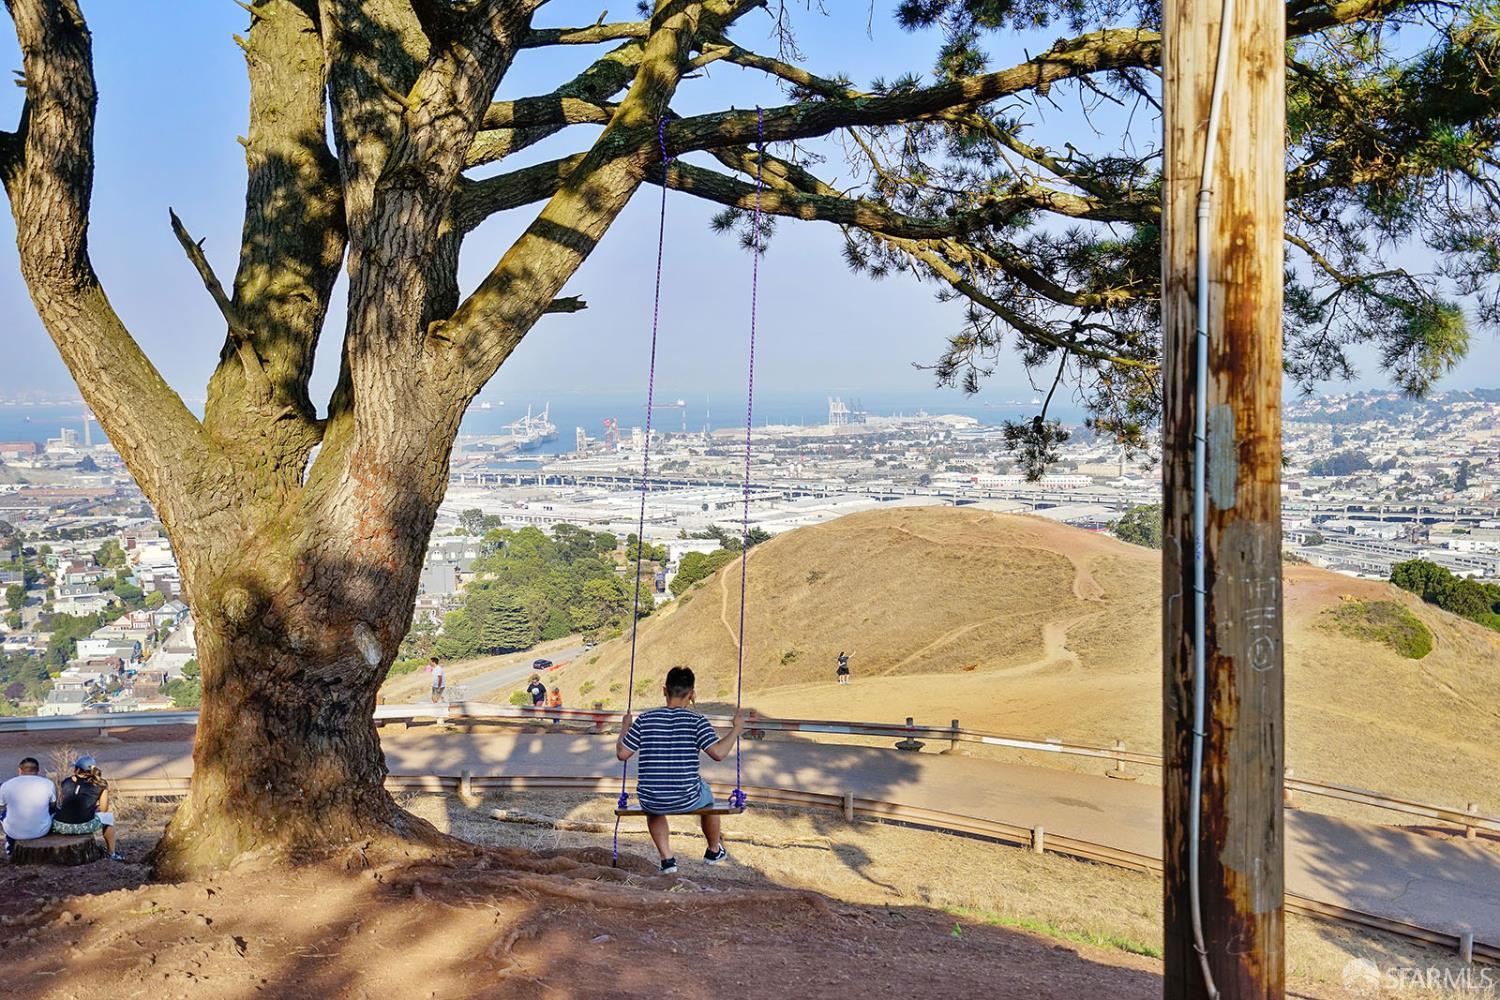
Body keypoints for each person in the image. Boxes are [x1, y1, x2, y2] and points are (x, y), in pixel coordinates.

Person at [616, 666, 747, 874]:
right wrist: (737, 729)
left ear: (664, 690)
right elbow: (719, 754)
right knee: (708, 795)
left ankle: (667, 859)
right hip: (688, 797)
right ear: (692, 694)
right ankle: (713, 850)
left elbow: (622, 753)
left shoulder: (645, 720)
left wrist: (625, 727)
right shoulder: (697, 721)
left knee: (653, 801)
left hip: (651, 798)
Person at [51, 756, 120, 861]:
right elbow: (104, 809)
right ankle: (111, 853)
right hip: (83, 826)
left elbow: (65, 803)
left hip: (60, 826)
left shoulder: (66, 782)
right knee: (108, 818)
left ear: (77, 769)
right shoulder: (100, 784)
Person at [0, 756, 56, 858]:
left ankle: (10, 847)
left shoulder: (6, 785)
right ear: (38, 770)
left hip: (13, 832)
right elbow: (53, 804)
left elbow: (1, 805)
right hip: (41, 831)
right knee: (52, 810)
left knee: (4, 813)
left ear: (20, 770)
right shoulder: (48, 784)